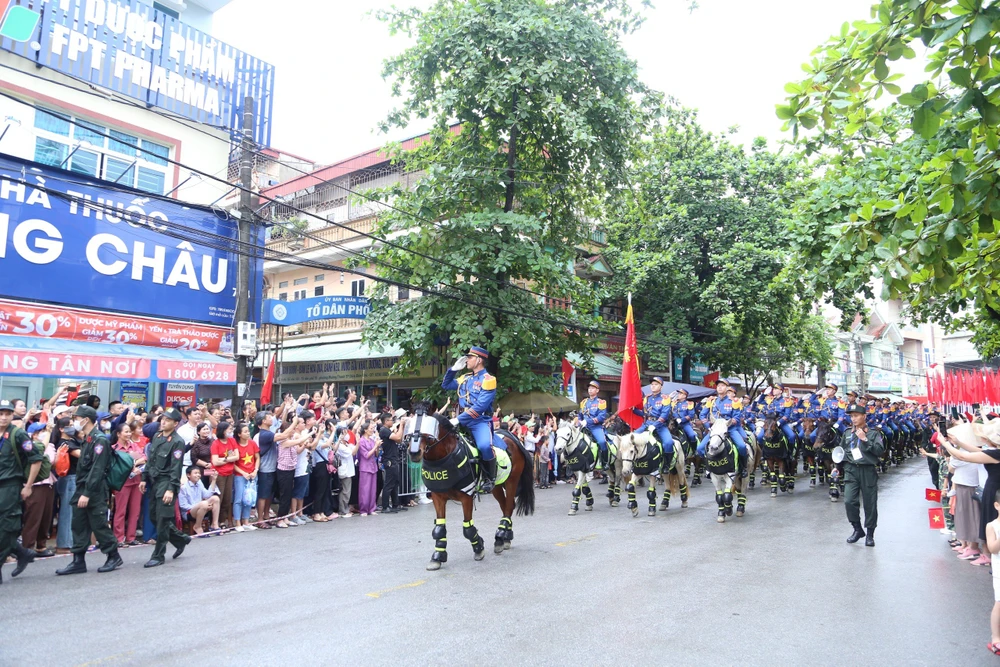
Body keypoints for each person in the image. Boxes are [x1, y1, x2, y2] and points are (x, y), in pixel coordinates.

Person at [55, 406, 122, 575]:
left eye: (77, 418)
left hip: (94, 490)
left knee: (98, 524)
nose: (75, 422)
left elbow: (97, 470)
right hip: (82, 487)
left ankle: (113, 555)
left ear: (87, 419)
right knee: (78, 524)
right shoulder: (87, 439)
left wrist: (87, 493)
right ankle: (78, 561)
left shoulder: (100, 440)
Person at [139, 408, 192, 568]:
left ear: (175, 423)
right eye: (163, 419)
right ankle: (180, 539)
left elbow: (175, 468)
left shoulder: (177, 442)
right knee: (154, 516)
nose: (163, 422)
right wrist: (143, 479)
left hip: (167, 482)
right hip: (154, 481)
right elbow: (151, 460)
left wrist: (171, 489)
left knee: (163, 519)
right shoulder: (157, 436)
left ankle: (158, 555)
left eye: (168, 420)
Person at [441, 346, 498, 492]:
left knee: (485, 446)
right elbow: (446, 385)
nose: (467, 360)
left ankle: (489, 478)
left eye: (470, 357)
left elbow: (480, 406)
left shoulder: (489, 380)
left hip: (478, 421)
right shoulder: (465, 378)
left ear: (479, 360)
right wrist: (453, 369)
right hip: (460, 420)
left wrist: (458, 419)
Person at [0, 400, 42, 582]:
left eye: (7, 413)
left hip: (10, 485)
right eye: (0, 413)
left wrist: (28, 485)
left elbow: (36, 459)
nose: (3, 417)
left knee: (8, 527)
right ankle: (22, 552)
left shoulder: (18, 434)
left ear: (12, 415)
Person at [841, 404, 885, 547]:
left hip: (867, 470)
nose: (853, 419)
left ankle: (870, 534)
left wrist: (865, 439)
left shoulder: (873, 433)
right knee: (849, 500)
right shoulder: (847, 433)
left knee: (870, 503)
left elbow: (879, 451)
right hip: (851, 470)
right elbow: (842, 451)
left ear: (864, 416)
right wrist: (837, 467)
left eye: (856, 416)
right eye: (851, 416)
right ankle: (857, 529)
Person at [21, 423, 56, 556]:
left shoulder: (49, 446)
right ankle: (27, 548)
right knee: (33, 517)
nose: (45, 433)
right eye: (41, 431)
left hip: (49, 483)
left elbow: (53, 461)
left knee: (46, 517)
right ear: (34, 434)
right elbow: (43, 454)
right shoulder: (30, 446)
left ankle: (41, 546)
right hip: (35, 485)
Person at [111, 423, 146, 547]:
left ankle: (131, 537)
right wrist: (133, 463)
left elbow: (144, 458)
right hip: (122, 483)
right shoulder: (114, 448)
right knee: (120, 511)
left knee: (135, 510)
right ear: (118, 434)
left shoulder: (134, 445)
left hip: (136, 480)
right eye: (125, 432)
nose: (128, 434)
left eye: (129, 432)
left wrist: (133, 464)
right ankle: (119, 538)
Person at [698, 379, 747, 458]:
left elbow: (737, 417)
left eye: (723, 386)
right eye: (718, 386)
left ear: (727, 388)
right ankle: (708, 463)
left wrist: (728, 424)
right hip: (715, 430)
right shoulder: (712, 401)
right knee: (700, 449)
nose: (720, 387)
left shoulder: (734, 401)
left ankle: (743, 466)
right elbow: (702, 415)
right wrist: (708, 426)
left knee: (742, 446)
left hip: (730, 429)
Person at [231, 422, 259, 532]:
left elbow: (257, 458)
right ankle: (237, 522)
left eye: (248, 431)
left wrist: (255, 470)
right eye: (245, 431)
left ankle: (246, 522)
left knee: (249, 498)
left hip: (252, 475)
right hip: (239, 475)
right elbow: (232, 463)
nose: (248, 433)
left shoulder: (252, 443)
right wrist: (243, 473)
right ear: (239, 434)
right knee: (238, 499)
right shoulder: (234, 445)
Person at [210, 422, 239, 528]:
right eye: (229, 429)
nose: (231, 431)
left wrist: (224, 459)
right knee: (218, 498)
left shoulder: (232, 441)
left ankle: (222, 521)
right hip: (218, 475)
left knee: (227, 498)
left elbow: (237, 457)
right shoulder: (216, 444)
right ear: (222, 430)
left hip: (229, 473)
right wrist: (228, 459)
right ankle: (214, 522)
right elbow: (215, 462)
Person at [178, 466, 221, 535]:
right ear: (188, 475)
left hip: (202, 507)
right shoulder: (183, 487)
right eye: (195, 473)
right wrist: (200, 505)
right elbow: (183, 506)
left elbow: (207, 495)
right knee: (203, 504)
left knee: (215, 498)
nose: (198, 475)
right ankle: (197, 526)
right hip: (188, 512)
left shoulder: (199, 483)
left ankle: (214, 524)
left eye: (199, 473)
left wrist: (213, 480)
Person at [578, 380, 609, 469]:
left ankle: (605, 462)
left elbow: (601, 417)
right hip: (584, 427)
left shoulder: (601, 402)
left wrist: (588, 421)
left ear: (597, 390)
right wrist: (579, 422)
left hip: (595, 427)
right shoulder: (584, 402)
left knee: (602, 442)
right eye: (589, 388)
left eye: (592, 388)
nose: (590, 390)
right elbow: (580, 415)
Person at [379, 414, 403, 513]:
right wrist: (401, 425)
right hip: (389, 459)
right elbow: (398, 438)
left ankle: (395, 504)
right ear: (385, 421)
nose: (392, 422)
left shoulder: (388, 430)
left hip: (394, 458)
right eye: (390, 420)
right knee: (388, 484)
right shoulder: (384, 430)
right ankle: (385, 506)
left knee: (395, 483)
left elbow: (398, 439)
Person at [985, 491, 1000, 656]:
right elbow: (993, 549)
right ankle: (996, 638)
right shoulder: (992, 526)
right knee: (999, 603)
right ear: (997, 506)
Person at [357, 419, 380, 516]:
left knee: (372, 488)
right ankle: (363, 509)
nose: (372, 430)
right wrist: (375, 446)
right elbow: (366, 455)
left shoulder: (372, 440)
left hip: (373, 466)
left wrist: (377, 446)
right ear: (365, 430)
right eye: (371, 428)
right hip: (365, 467)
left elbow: (376, 454)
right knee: (364, 489)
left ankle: (372, 508)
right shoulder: (361, 441)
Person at [336, 426, 358, 518]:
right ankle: (343, 510)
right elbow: (352, 452)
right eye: (344, 433)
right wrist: (359, 442)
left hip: (348, 470)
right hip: (344, 471)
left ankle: (345, 509)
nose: (347, 435)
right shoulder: (340, 446)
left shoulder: (347, 444)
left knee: (346, 491)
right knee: (345, 491)